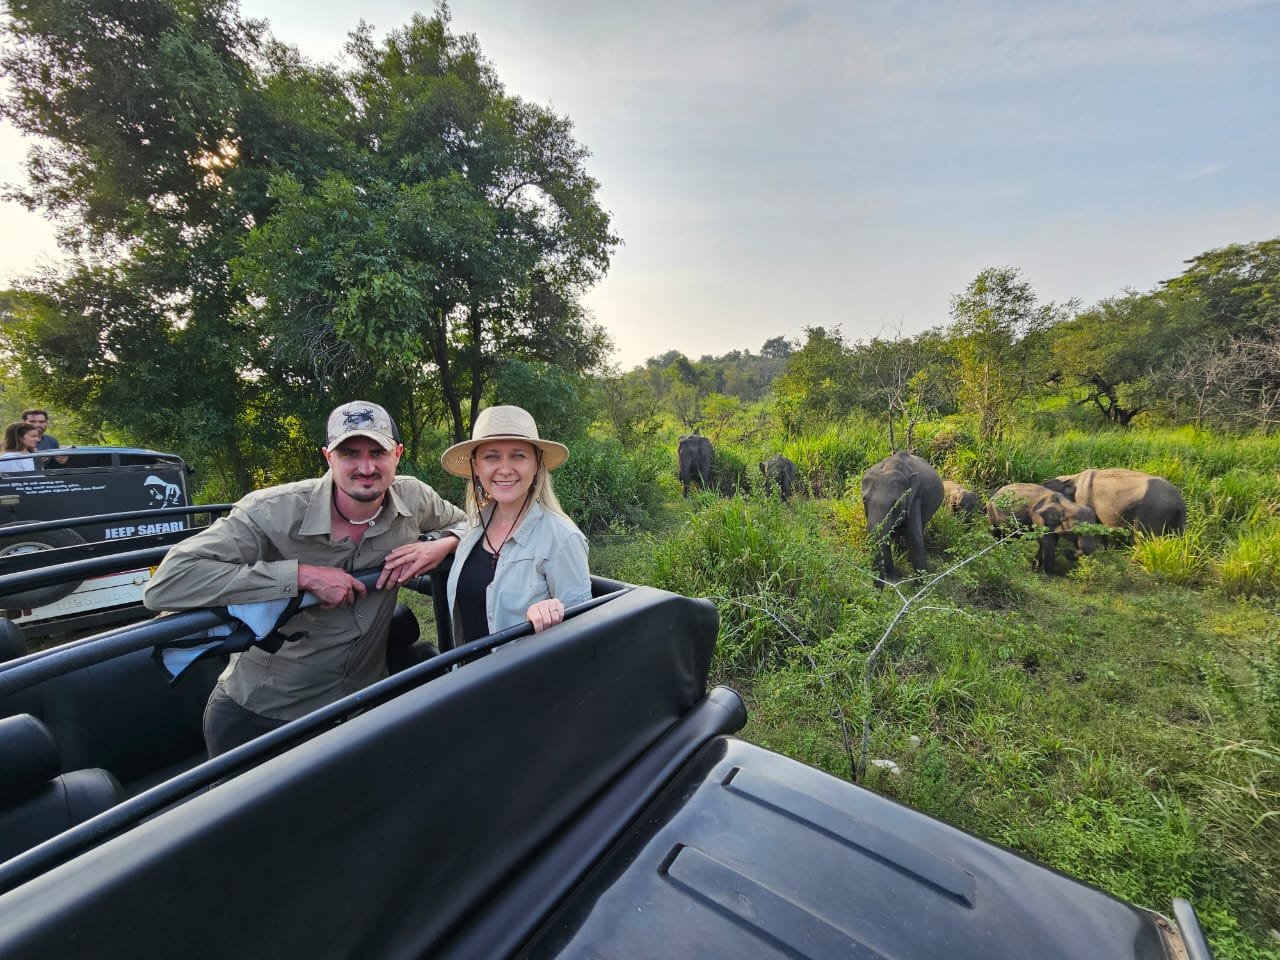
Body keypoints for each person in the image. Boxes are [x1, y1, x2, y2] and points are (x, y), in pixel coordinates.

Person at [143, 400, 468, 757]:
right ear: (328, 457)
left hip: (364, 702)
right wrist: (300, 575)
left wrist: (440, 544)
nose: (366, 467)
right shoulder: (271, 511)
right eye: (350, 453)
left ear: (398, 454)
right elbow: (168, 583)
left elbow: (468, 522)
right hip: (267, 715)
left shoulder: (414, 497)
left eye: (378, 452)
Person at [440, 405, 590, 646]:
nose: (505, 469)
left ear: (536, 464)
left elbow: (584, 632)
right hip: (470, 670)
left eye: (518, 456)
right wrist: (436, 545)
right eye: (491, 456)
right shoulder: (475, 527)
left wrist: (552, 615)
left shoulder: (562, 539)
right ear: (476, 466)